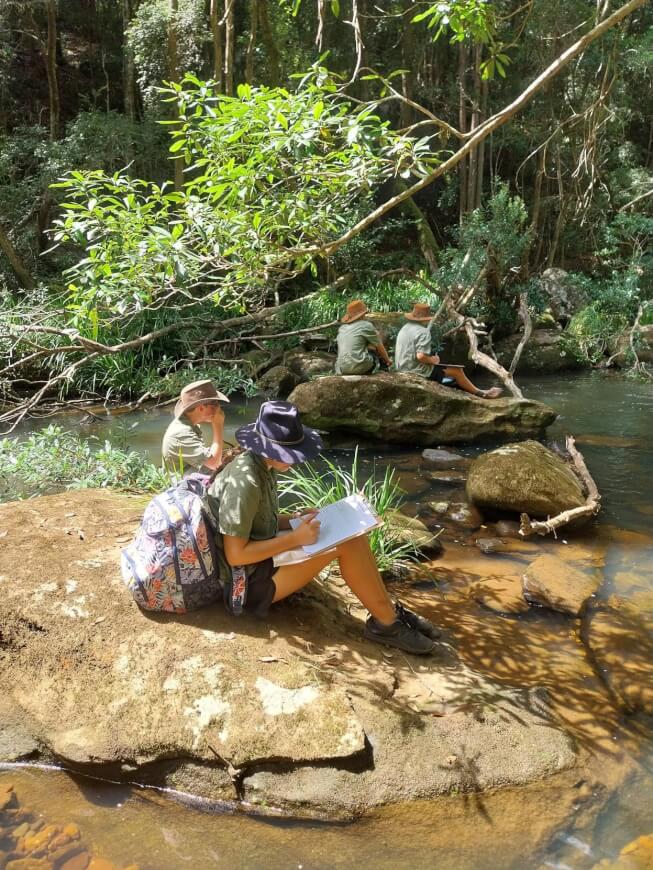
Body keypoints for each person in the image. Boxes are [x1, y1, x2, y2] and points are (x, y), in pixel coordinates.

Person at [207, 400, 440, 655]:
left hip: (261, 564)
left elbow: (255, 521)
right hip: (246, 585)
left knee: (353, 535)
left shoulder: (263, 463)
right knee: (346, 543)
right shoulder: (246, 481)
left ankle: (388, 612)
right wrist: (296, 538)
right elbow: (235, 555)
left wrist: (294, 518)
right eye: (289, 454)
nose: (294, 461)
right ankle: (386, 624)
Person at [395, 303, 503, 398]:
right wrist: (433, 360)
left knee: (448, 373)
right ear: (426, 318)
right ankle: (482, 394)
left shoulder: (405, 327)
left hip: (401, 367)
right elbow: (421, 356)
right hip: (415, 370)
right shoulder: (423, 332)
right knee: (457, 371)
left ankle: (477, 391)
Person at [162, 379, 229, 475]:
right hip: (185, 486)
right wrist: (218, 425)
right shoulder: (182, 433)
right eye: (214, 404)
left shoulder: (188, 425)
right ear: (201, 408)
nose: (219, 408)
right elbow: (215, 463)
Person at [335, 300, 392, 375]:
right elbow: (379, 345)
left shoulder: (342, 328)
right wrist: (388, 360)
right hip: (360, 367)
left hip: (342, 369)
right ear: (362, 314)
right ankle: (384, 368)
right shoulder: (366, 325)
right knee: (375, 340)